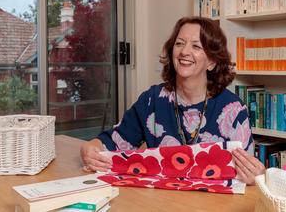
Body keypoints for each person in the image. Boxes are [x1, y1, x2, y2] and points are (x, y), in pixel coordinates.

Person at [80, 16, 265, 185]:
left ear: (212, 62)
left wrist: (256, 176)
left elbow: (247, 172)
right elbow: (115, 141)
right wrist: (91, 147)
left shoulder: (233, 108)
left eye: (196, 46)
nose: (184, 51)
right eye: (179, 43)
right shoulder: (152, 100)